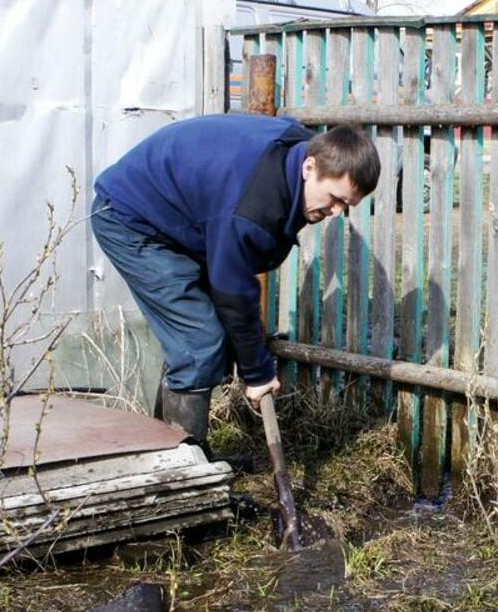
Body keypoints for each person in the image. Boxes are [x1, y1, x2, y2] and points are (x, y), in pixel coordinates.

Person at [91, 114, 379, 443]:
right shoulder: (250, 209)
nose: (337, 212)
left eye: (348, 205)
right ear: (309, 167)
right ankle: (185, 468)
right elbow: (233, 290)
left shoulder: (298, 148)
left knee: (196, 340)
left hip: (181, 217)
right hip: (129, 217)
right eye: (336, 198)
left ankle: (166, 451)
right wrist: (258, 373)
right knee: (198, 342)